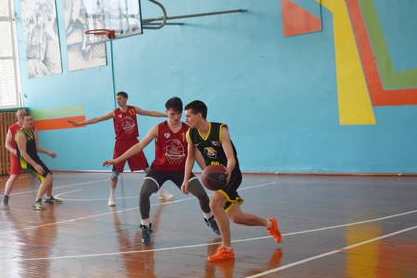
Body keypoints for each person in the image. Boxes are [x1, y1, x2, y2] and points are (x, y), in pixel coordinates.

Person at [103, 97, 220, 245]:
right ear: (166, 112)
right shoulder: (158, 129)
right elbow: (139, 146)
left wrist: (207, 171)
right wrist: (117, 159)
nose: (176, 117)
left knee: (202, 195)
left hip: (180, 171)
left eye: (178, 114)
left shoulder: (189, 130)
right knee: (144, 193)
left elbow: (195, 154)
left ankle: (209, 218)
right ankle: (145, 226)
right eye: (172, 114)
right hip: (159, 170)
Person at [180, 100, 281, 262]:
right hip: (218, 179)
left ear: (199, 115)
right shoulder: (191, 134)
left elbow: (231, 158)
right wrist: (186, 180)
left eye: (188, 116)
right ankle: (270, 223)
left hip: (230, 174)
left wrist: (228, 169)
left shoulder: (220, 130)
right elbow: (190, 157)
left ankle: (227, 249)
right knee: (236, 217)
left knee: (214, 204)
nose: (186, 120)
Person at [69, 91, 174, 206]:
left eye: (119, 98)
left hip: (134, 143)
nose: (117, 100)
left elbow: (150, 113)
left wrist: (167, 115)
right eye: (117, 99)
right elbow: (97, 119)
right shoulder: (114, 113)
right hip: (120, 145)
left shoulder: (133, 109)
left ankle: (161, 193)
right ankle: (111, 197)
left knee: (148, 170)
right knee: (115, 173)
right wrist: (80, 123)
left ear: (125, 99)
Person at [15, 113, 62, 210]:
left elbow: (35, 147)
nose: (30, 121)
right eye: (27, 120)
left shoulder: (31, 131)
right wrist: (35, 165)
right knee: (47, 178)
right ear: (22, 121)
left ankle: (48, 198)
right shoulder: (21, 134)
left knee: (49, 176)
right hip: (27, 163)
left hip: (35, 159)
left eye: (31, 119)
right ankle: (37, 201)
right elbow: (23, 153)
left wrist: (47, 152)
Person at [1, 108, 39, 210]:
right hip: (17, 155)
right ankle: (5, 199)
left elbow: (36, 144)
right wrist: (13, 151)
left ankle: (48, 196)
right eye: (20, 114)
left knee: (44, 173)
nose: (22, 115)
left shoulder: (32, 128)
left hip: (29, 155)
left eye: (24, 114)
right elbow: (7, 144)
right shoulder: (13, 128)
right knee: (13, 176)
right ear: (17, 116)